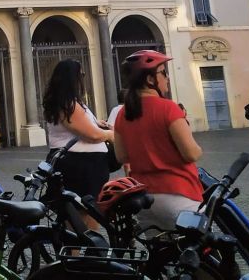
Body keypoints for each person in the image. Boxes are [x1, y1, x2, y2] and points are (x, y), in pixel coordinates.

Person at [113, 50, 203, 231]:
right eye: (163, 72)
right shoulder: (168, 108)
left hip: (144, 199)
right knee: (203, 254)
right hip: (179, 194)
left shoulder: (123, 113)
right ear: (150, 79)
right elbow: (191, 153)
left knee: (162, 255)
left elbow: (121, 156)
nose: (167, 78)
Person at [43, 59, 112, 228]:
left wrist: (98, 124)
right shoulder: (68, 104)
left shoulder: (68, 102)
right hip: (80, 167)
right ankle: (81, 253)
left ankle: (79, 252)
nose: (83, 78)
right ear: (72, 78)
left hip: (82, 165)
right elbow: (93, 136)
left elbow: (85, 128)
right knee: (84, 218)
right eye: (81, 74)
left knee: (80, 217)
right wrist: (111, 134)